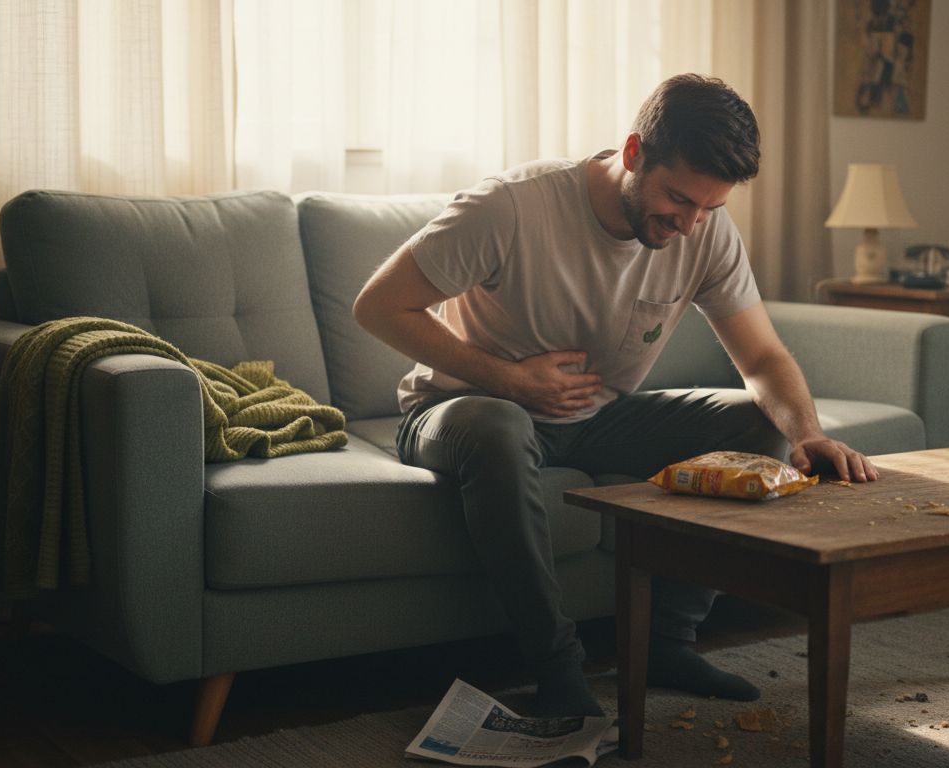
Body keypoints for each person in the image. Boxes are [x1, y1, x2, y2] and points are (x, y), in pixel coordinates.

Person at [353, 73, 878, 718]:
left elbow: (764, 358)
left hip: (595, 418)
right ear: (633, 153)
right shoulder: (510, 207)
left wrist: (807, 433)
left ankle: (668, 643)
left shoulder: (704, 230)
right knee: (500, 426)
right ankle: (556, 666)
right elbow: (377, 306)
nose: (689, 225)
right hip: (459, 411)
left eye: (709, 208)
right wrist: (509, 379)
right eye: (678, 200)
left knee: (756, 423)